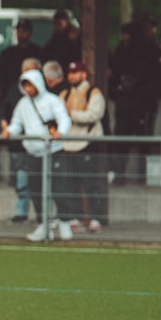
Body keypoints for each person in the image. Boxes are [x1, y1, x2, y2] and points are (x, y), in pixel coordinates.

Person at [1, 67, 73, 241]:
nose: (28, 89)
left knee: (59, 188)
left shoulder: (52, 100)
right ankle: (43, 224)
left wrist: (60, 132)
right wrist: (10, 131)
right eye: (25, 86)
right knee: (36, 190)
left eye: (31, 85)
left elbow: (64, 118)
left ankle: (64, 222)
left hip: (53, 151)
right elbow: (17, 123)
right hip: (33, 153)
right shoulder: (23, 103)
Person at [108, 19, 161, 185]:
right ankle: (121, 174)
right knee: (122, 139)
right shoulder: (123, 50)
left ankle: (145, 175)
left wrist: (146, 93)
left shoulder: (151, 50)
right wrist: (117, 92)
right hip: (127, 103)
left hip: (143, 103)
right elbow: (114, 72)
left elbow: (160, 77)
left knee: (143, 139)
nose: (123, 37)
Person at [58, 61, 108, 233]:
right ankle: (76, 217)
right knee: (70, 183)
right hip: (68, 144)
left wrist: (71, 114)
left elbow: (94, 115)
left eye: (75, 72)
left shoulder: (94, 93)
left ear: (84, 74)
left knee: (91, 183)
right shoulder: (64, 94)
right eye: (69, 72)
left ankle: (96, 218)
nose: (71, 76)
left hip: (88, 143)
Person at [0, 57, 42, 223]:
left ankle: (43, 216)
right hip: (20, 143)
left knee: (41, 180)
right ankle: (22, 212)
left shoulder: (44, 95)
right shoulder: (15, 90)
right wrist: (5, 124)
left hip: (39, 144)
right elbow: (6, 110)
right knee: (22, 177)